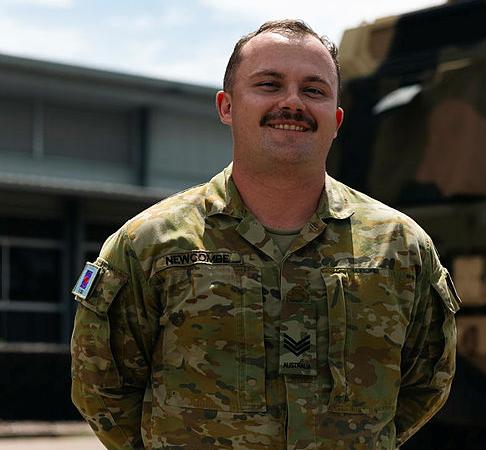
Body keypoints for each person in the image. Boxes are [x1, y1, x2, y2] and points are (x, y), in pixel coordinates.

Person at [69, 19, 460, 450]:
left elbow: (426, 384)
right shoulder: (151, 244)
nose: (292, 102)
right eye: (269, 84)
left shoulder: (400, 247)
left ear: (337, 117)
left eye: (314, 90)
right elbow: (101, 390)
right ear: (227, 106)